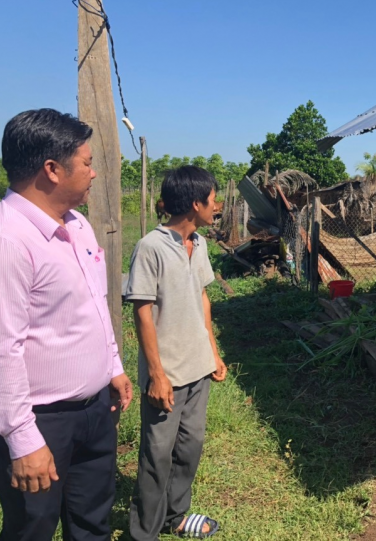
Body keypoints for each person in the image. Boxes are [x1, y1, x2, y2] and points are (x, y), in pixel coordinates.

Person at [0, 108, 133, 541]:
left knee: (92, 520)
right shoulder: (8, 240)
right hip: (40, 421)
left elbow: (94, 305)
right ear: (52, 170)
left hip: (95, 410)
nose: (94, 173)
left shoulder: (77, 225)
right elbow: (3, 348)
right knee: (32, 526)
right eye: (88, 162)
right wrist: (22, 439)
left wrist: (112, 366)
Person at [126, 166, 227, 540]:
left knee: (191, 446)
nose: (217, 206)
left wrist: (212, 352)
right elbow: (142, 312)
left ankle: (176, 515)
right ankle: (143, 532)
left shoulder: (198, 243)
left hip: (198, 368)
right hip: (166, 375)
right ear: (195, 204)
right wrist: (156, 374)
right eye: (213, 199)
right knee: (157, 455)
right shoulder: (151, 247)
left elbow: (202, 298)